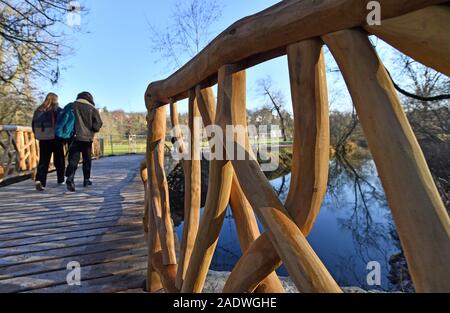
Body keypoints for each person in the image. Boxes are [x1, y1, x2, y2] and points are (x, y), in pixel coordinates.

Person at [65, 92, 103, 192]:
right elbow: (98, 123)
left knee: (73, 159)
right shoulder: (91, 108)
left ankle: (70, 177)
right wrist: (93, 129)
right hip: (87, 138)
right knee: (87, 159)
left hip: (73, 137)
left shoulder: (72, 106)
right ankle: (86, 180)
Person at [32, 93, 66, 191]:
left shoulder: (38, 110)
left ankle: (40, 181)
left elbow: (33, 124)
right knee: (59, 159)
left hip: (43, 139)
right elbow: (62, 124)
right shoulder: (58, 110)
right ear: (56, 100)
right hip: (56, 138)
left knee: (43, 160)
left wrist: (38, 135)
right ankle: (60, 179)